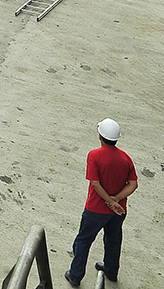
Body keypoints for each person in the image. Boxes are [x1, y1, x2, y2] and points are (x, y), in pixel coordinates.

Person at [63, 118, 138, 287]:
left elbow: (95, 183)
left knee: (83, 241)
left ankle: (75, 275)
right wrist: (116, 200)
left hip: (95, 209)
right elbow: (133, 184)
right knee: (113, 240)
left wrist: (108, 200)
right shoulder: (126, 158)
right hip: (118, 211)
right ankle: (111, 271)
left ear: (100, 137)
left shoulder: (94, 155)